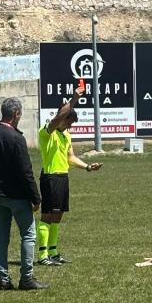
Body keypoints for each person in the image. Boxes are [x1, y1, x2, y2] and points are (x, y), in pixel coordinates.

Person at [0, 98, 48, 291]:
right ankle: (26, 278)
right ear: (16, 114)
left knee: (1, 236)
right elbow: (26, 172)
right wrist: (36, 198)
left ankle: (3, 279)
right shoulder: (16, 138)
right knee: (28, 234)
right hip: (17, 196)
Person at [36, 85, 102, 265]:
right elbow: (57, 118)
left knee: (58, 216)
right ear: (63, 118)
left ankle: (54, 252)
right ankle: (42, 256)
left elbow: (70, 158)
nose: (71, 125)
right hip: (50, 177)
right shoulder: (46, 132)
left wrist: (88, 167)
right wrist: (74, 99)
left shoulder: (66, 135)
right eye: (70, 121)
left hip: (62, 177)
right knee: (47, 216)